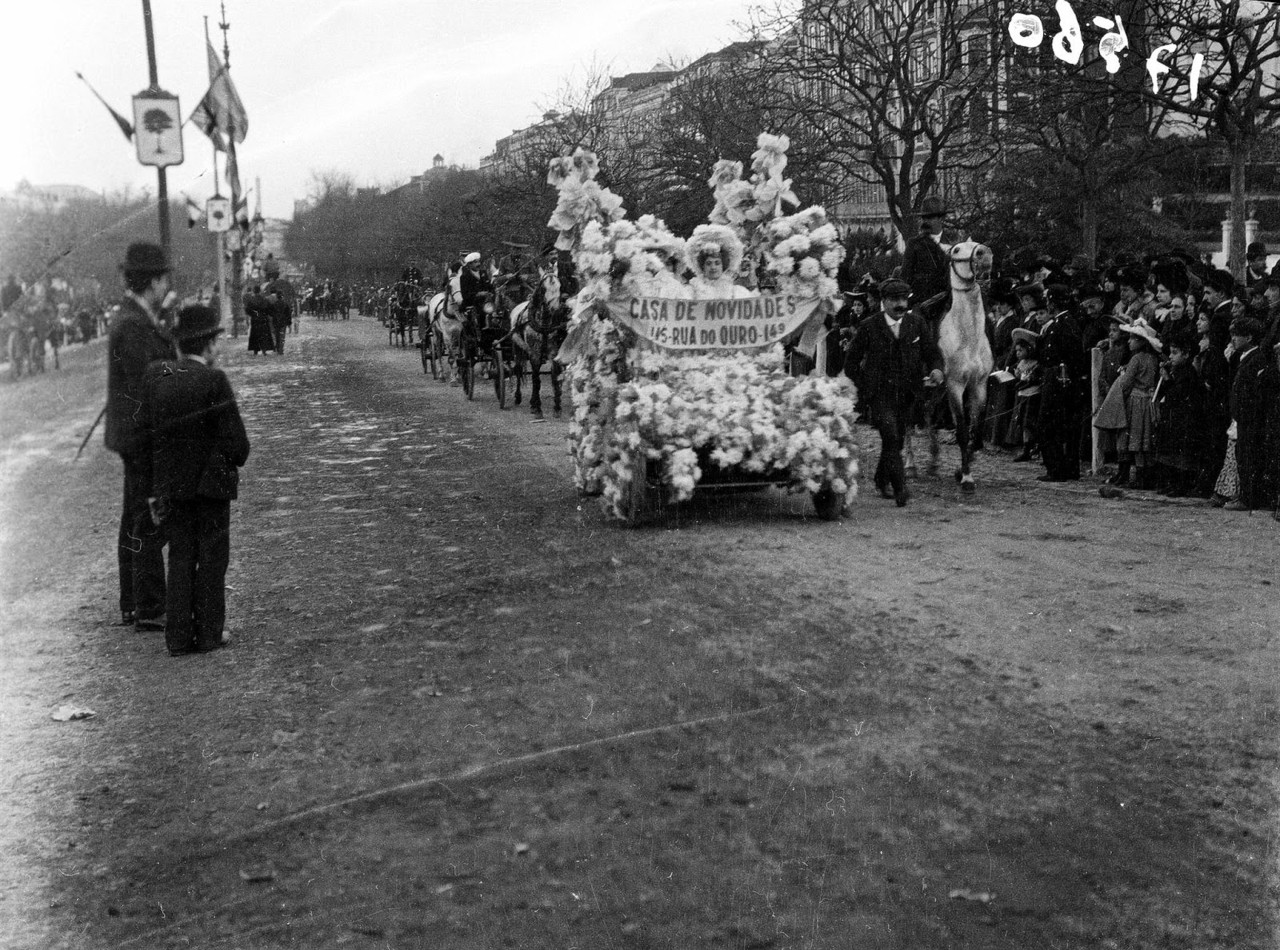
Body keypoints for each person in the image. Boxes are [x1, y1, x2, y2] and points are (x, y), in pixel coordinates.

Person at [145, 304, 250, 655]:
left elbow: (151, 440)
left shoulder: (158, 380)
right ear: (207, 344)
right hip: (211, 488)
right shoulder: (214, 380)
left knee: (179, 558)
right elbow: (238, 445)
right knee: (212, 560)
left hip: (173, 487)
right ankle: (208, 634)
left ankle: (176, 637)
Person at [105, 242, 175, 630]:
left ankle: (133, 600)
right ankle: (149, 606)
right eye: (164, 279)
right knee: (148, 516)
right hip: (139, 433)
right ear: (152, 281)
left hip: (131, 432)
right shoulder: (134, 324)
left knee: (134, 513)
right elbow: (143, 385)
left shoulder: (135, 317)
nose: (166, 287)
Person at [844, 277, 944, 507]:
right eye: (894, 300)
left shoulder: (916, 324)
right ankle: (900, 488)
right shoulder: (869, 326)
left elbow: (931, 353)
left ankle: (881, 478)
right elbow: (851, 364)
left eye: (904, 299)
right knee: (890, 434)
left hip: (909, 394)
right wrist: (867, 386)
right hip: (880, 395)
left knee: (896, 440)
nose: (900, 304)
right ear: (884, 301)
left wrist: (937, 369)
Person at [1035, 283, 1086, 481]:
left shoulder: (1064, 324)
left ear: (1053, 302)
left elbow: (1070, 356)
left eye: (1048, 300)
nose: (1047, 304)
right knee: (1060, 426)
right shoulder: (1061, 322)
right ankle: (1067, 468)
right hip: (1057, 378)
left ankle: (1057, 469)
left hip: (1059, 380)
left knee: (1048, 425)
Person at [1152, 330, 1207, 497]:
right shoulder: (1175, 369)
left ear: (1186, 354)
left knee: (1181, 454)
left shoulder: (1188, 372)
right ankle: (1173, 483)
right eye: (1170, 352)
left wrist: (1168, 379)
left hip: (1186, 419)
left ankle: (1182, 485)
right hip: (1174, 417)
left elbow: (1179, 394)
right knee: (1172, 452)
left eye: (1175, 353)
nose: (1171, 356)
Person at [1226, 316, 1270, 511]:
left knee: (1249, 456)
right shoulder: (1245, 357)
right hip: (1243, 418)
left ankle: (1249, 498)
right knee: (1242, 455)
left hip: (1251, 419)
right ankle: (1244, 495)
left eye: (1237, 335)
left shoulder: (1257, 358)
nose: (1233, 339)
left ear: (1250, 337)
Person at [901, 196, 950, 326]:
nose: (925, 221)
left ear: (941, 218)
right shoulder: (914, 244)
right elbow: (905, 276)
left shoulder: (953, 242)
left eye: (930, 217)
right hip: (924, 303)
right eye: (924, 218)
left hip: (950, 301)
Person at [1008, 328, 1043, 462]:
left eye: (1020, 350)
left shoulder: (1035, 364)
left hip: (1032, 394)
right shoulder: (1021, 363)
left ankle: (1033, 447)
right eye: (1016, 351)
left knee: (1030, 421)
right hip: (1023, 394)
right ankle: (1026, 448)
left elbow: (1033, 379)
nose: (1017, 353)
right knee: (1022, 421)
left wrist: (1023, 383)